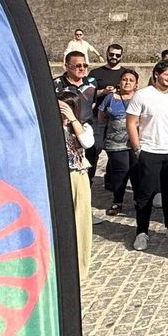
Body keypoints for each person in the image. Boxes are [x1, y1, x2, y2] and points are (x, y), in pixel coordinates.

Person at [125, 60, 168, 250]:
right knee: (145, 193)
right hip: (149, 151)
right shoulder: (142, 95)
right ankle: (142, 232)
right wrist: (137, 148)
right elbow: (131, 122)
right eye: (167, 74)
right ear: (156, 74)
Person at [57, 91, 94, 281]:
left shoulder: (83, 127)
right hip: (57, 177)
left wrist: (72, 119)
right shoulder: (51, 127)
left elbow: (87, 143)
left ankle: (79, 267)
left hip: (77, 175)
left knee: (80, 219)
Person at [97, 68, 139, 216]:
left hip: (136, 142)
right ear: (119, 82)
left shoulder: (140, 98)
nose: (127, 82)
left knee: (136, 171)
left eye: (131, 80)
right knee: (121, 172)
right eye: (124, 79)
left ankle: (139, 200)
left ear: (136, 84)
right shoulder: (110, 97)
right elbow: (101, 117)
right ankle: (117, 202)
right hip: (115, 143)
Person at [54, 49, 101, 178]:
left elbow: (93, 103)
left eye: (85, 65)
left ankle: (88, 182)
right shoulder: (56, 84)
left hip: (87, 126)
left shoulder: (92, 82)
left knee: (92, 156)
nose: (82, 68)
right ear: (67, 66)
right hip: (67, 129)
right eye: (78, 65)